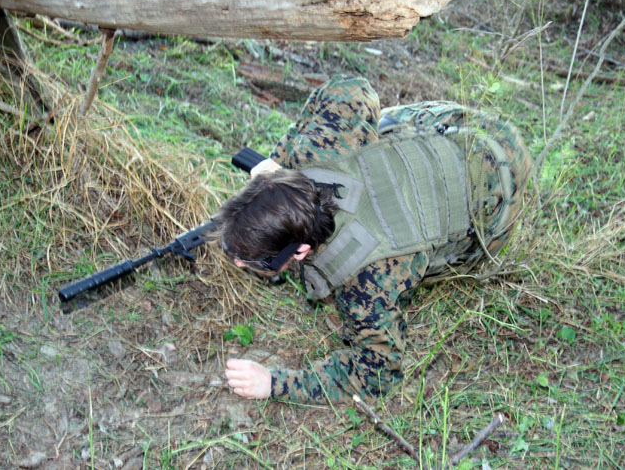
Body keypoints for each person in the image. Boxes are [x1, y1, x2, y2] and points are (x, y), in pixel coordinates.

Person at [219, 76, 532, 404]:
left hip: (499, 194)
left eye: (255, 260)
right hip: (471, 131)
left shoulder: (366, 281)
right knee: (380, 127)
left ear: (301, 250)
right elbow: (350, 85)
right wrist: (282, 163)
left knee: (424, 255)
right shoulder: (317, 149)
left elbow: (378, 375)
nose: (239, 263)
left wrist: (275, 384)